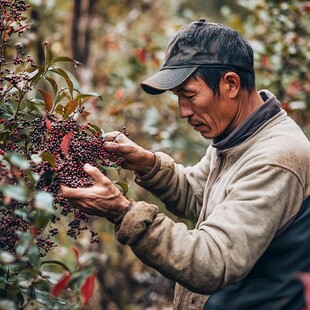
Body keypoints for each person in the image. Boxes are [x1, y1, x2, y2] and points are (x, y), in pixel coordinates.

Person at [61, 19, 310, 309]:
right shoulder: (236, 136)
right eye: (178, 97)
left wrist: (124, 212)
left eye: (189, 95)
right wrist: (148, 164)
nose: (183, 111)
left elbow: (213, 260)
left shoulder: (276, 158)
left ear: (231, 84)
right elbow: (200, 197)